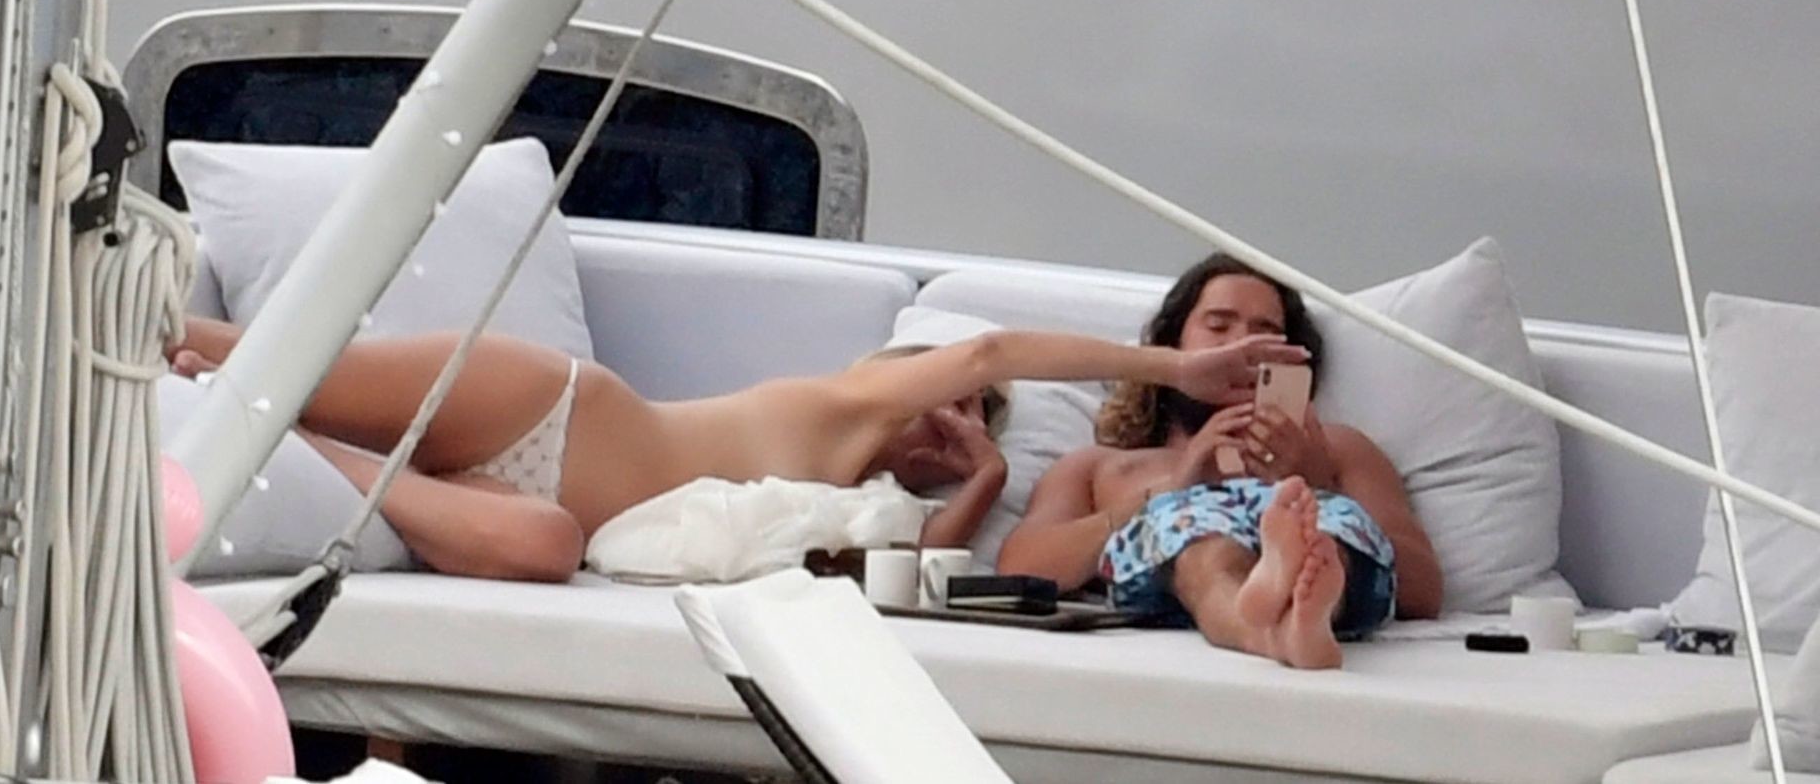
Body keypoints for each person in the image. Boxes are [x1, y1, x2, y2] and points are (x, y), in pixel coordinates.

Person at [167, 313, 1306, 584]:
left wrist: (991, 476)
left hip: (550, 511)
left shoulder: (866, 508)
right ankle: (119, 299)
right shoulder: (852, 402)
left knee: (545, 546)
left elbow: (916, 577)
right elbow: (991, 348)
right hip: (550, 407)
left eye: (973, 423)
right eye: (951, 404)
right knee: (238, 352)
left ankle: (315, 447)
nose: (952, 422)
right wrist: (1172, 369)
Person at [996, 254, 1443, 669]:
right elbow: (1021, 568)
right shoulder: (1103, 467)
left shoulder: (1339, 448)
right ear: (1171, 345)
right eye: (1218, 326)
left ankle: (1298, 595)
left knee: (1323, 539)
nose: (1241, 344)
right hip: (1185, 559)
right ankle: (1276, 623)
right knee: (1201, 540)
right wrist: (1171, 489)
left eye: (1264, 330)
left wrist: (1318, 482)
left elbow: (1423, 590)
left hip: (1333, 571)